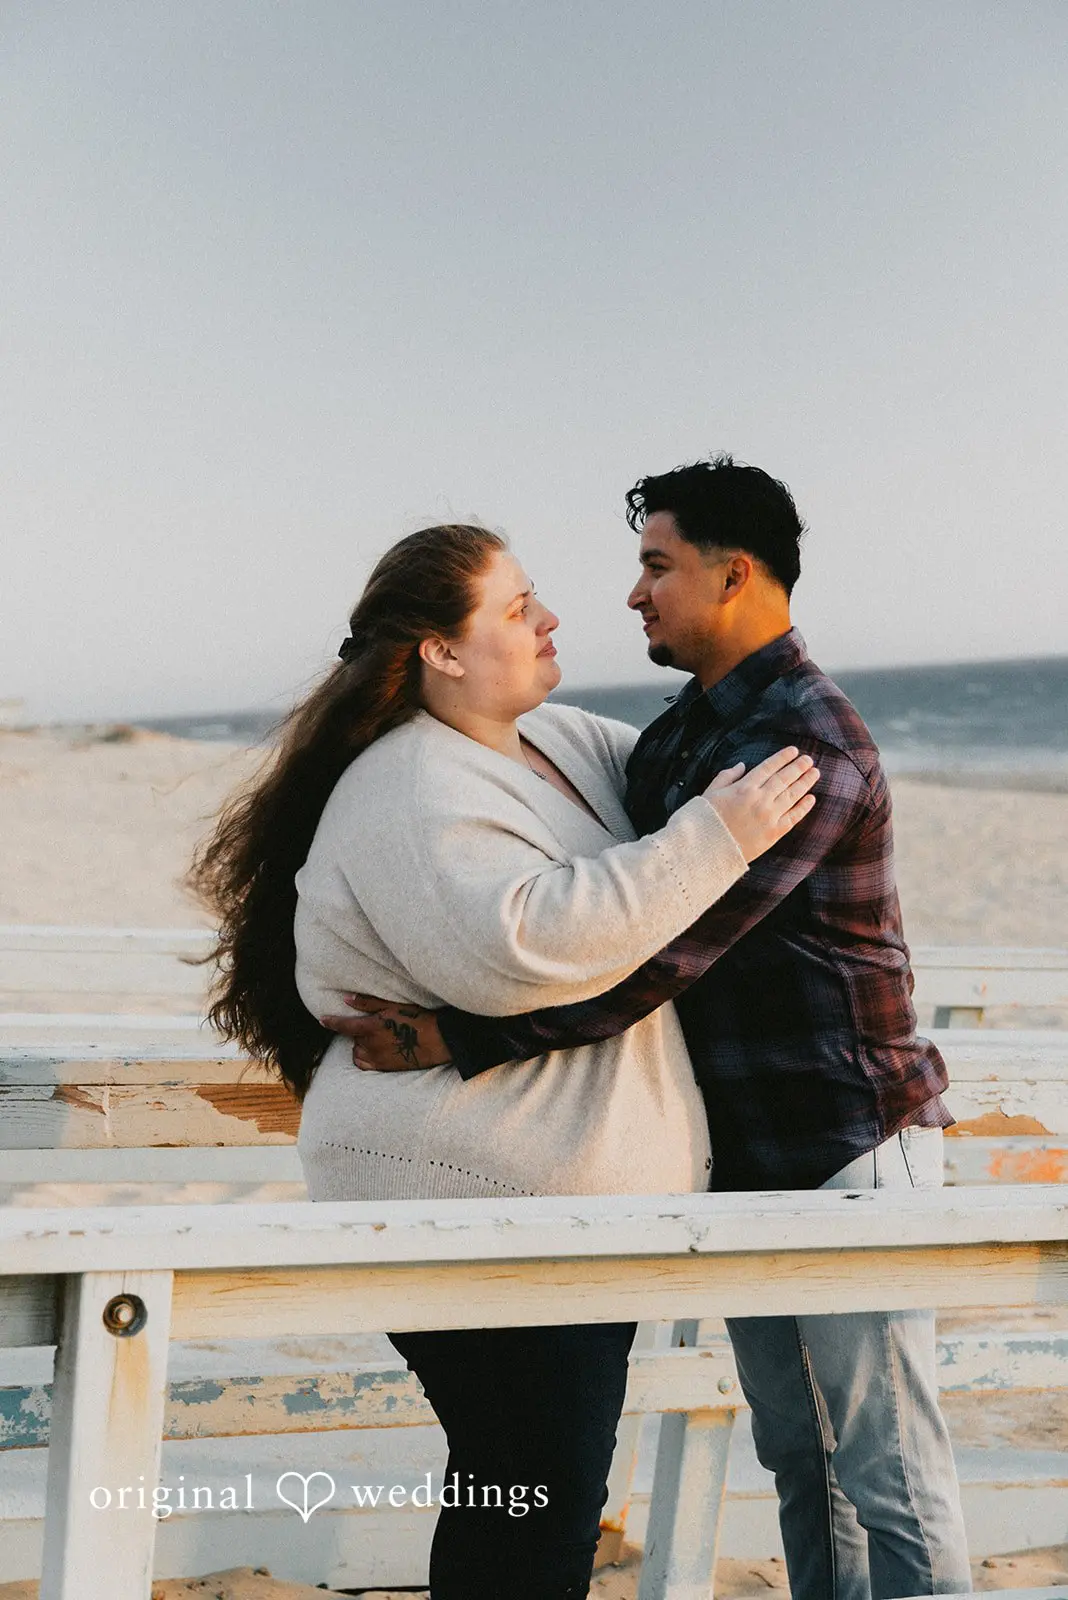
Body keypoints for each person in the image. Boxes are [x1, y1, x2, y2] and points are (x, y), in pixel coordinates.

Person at [325, 464, 973, 1600]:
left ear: (735, 575)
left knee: (888, 1463)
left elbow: (660, 959)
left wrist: (457, 1038)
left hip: (848, 1137)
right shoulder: (679, 738)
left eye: (656, 566)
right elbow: (596, 894)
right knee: (803, 1454)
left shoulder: (800, 746)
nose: (632, 595)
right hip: (754, 1152)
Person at [188, 521, 818, 1600]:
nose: (551, 617)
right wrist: (720, 838)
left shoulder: (562, 742)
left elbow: (678, 778)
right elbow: (519, 945)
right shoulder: (406, 783)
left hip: (547, 1188)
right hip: (470, 1187)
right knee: (536, 1491)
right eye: (517, 607)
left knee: (525, 1484)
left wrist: (782, 720)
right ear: (440, 650)